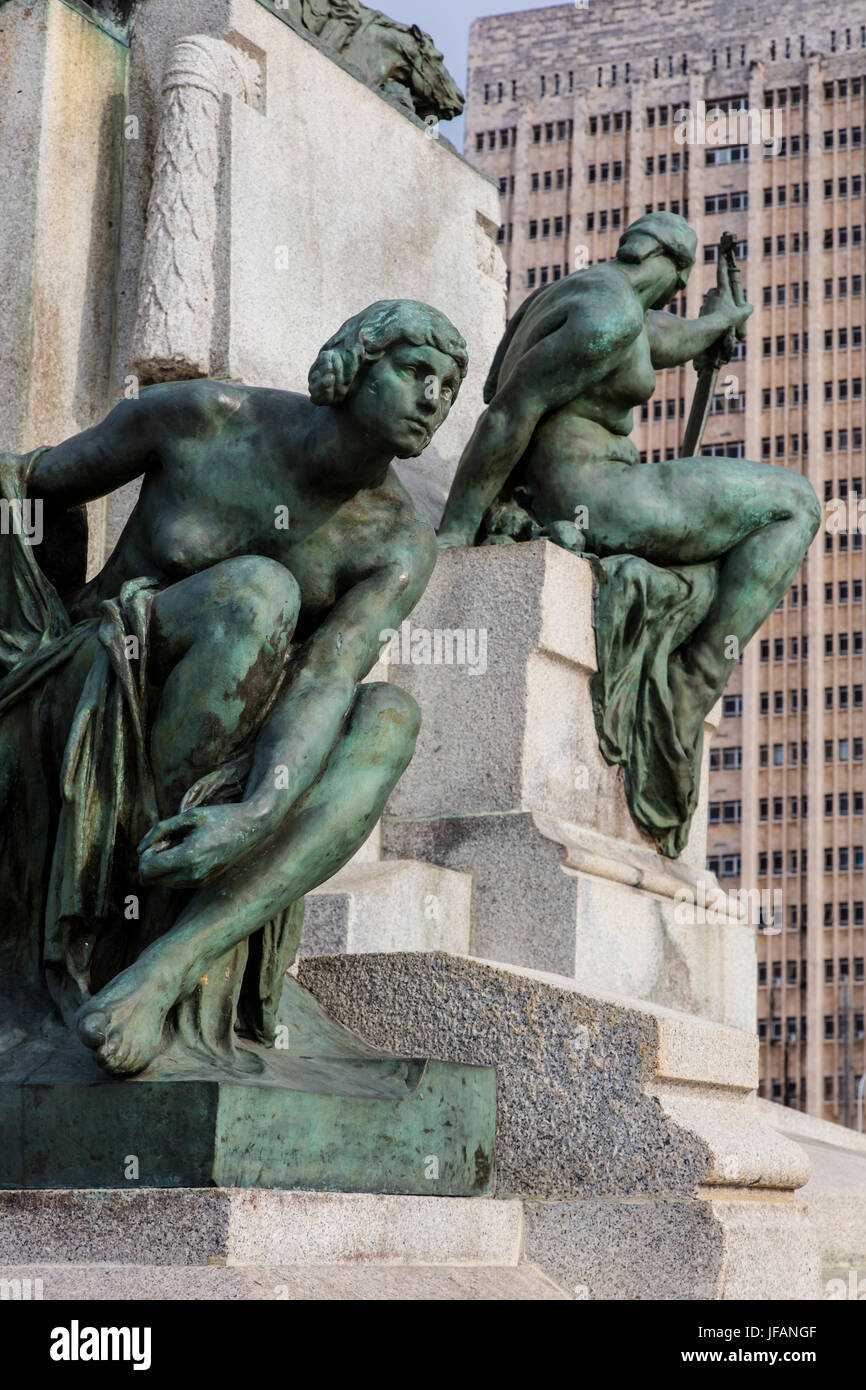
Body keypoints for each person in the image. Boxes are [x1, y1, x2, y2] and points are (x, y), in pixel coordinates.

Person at [0, 299, 467, 1076]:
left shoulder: (397, 541)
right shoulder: (199, 418)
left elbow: (327, 673)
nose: (433, 401)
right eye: (416, 372)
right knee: (259, 593)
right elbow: (27, 487)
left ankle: (164, 968)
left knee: (390, 716)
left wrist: (259, 808)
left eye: (448, 390)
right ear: (351, 364)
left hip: (242, 749)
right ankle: (135, 898)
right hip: (97, 685)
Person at [437, 213, 820, 852]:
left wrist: (717, 325)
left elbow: (660, 336)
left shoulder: (585, 295)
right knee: (795, 503)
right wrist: (455, 533)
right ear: (664, 261)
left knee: (754, 523)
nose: (674, 296)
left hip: (593, 481)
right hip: (595, 492)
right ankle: (696, 679)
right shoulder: (607, 319)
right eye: (679, 280)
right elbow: (509, 414)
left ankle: (693, 667)